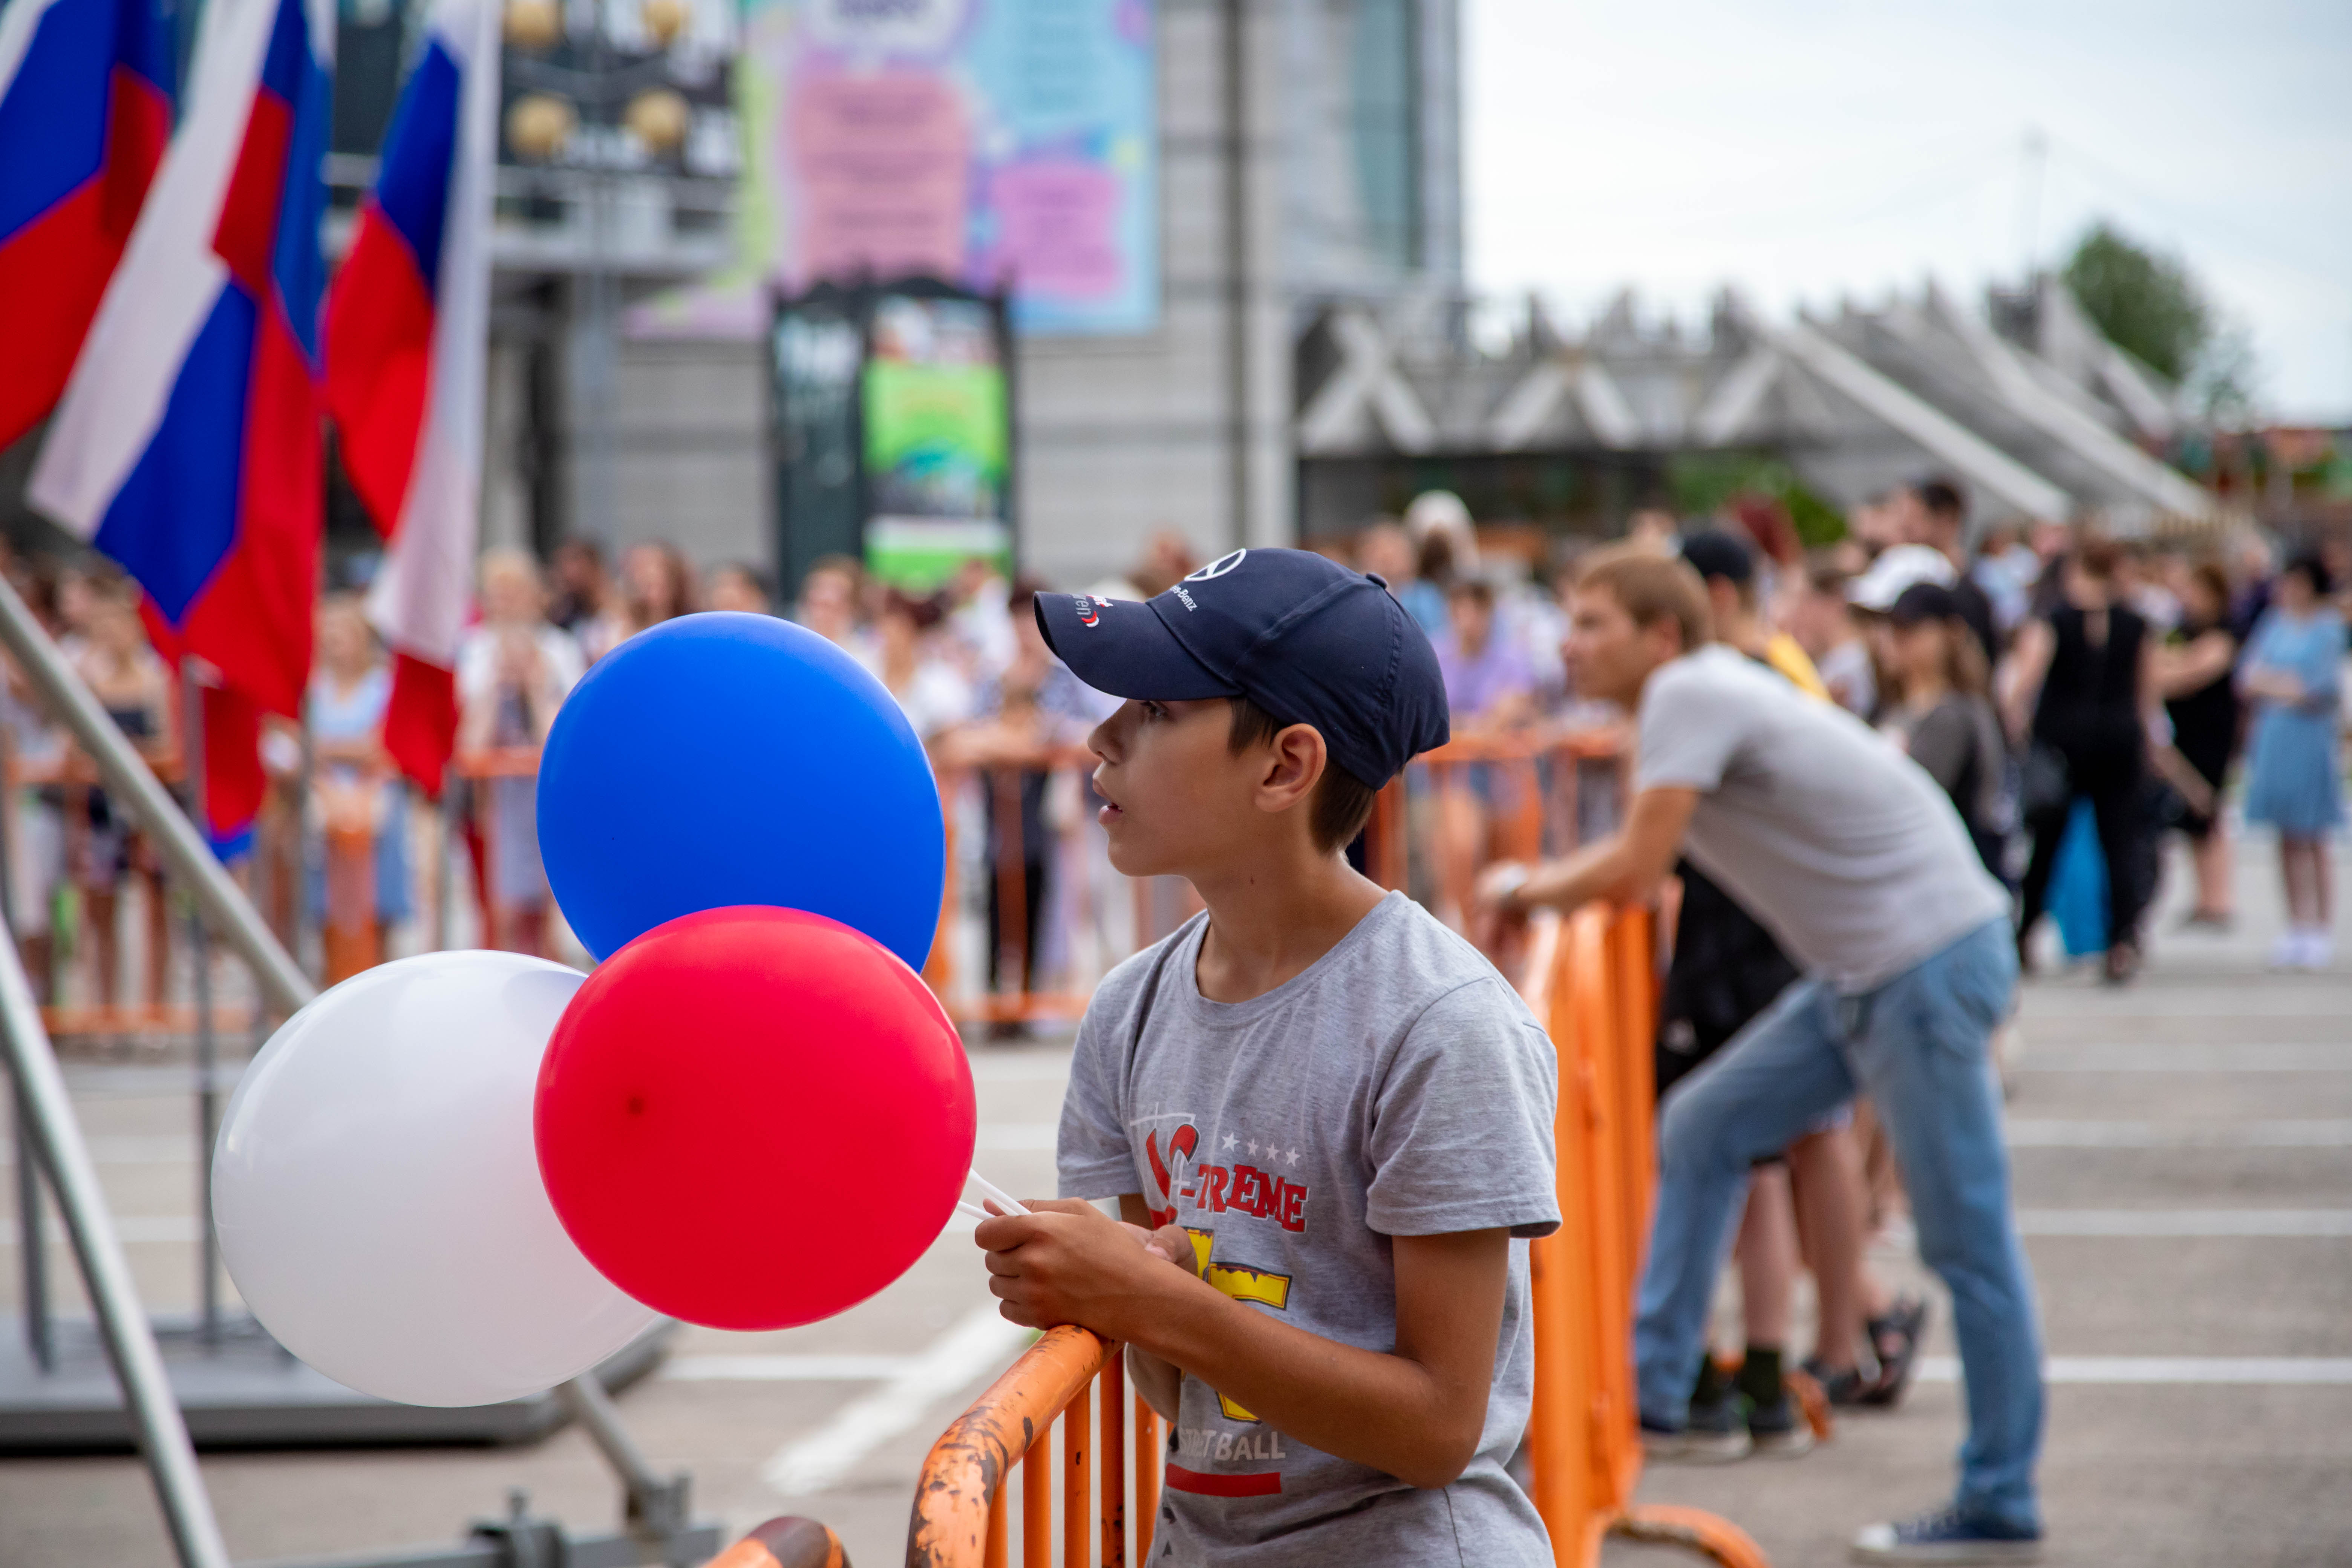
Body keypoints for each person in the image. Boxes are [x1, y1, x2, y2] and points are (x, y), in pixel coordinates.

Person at [977, 548, 1560, 1565]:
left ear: (1286, 766)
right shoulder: (1128, 1013)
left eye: (1156, 710)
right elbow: (1178, 1386)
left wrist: (1151, 1298)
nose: (1101, 735)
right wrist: (1109, 1292)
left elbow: (1438, 1428)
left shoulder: (1442, 1025)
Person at [1476, 548, 2040, 1564]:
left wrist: (1522, 890)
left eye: (1594, 623)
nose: (1570, 641)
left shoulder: (1691, 688)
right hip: (1870, 973)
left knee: (1969, 1241)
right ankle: (1657, 1398)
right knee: (1701, 1125)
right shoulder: (1694, 694)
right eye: (1571, 620)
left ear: (1661, 635)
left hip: (1921, 964)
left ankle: (2000, 1494)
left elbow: (1642, 866)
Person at [2006, 537, 2156, 983]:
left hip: (2063, 743)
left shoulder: (2054, 620)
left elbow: (2024, 683)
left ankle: (2025, 932)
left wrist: (2018, 729)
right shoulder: (2134, 623)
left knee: (2047, 845)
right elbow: (2146, 695)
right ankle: (2123, 938)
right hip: (2118, 741)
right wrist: (2151, 748)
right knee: (2119, 844)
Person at [457, 550, 584, 957]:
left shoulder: (560, 648)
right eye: (497, 592)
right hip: (493, 799)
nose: (505, 601)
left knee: (548, 908)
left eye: (514, 591)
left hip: (544, 793)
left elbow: (565, 731)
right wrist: (497, 680)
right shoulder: (474, 649)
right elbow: (471, 740)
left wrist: (534, 683)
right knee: (498, 909)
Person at [70, 578, 175, 1011]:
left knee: (157, 910)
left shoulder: (156, 681)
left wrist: (127, 760)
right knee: (102, 910)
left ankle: (157, 1006)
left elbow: (172, 748)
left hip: (149, 807)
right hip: (102, 808)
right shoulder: (86, 683)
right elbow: (76, 751)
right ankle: (107, 1005)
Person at [2238, 552, 2344, 969]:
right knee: (2285, 835)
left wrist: (2274, 685)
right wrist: (2282, 686)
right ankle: (2296, 923)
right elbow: (2247, 675)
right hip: (2275, 736)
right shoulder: (2274, 621)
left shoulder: (2327, 627)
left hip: (2310, 736)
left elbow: (2315, 687)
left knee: (2313, 833)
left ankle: (2320, 925)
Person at [308, 596, 413, 962]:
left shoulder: (382, 685)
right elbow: (297, 745)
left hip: (376, 803)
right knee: (325, 901)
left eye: (341, 632)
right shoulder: (313, 689)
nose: (332, 640)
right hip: (325, 803)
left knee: (379, 899)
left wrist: (325, 747)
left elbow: (381, 749)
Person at [1879, 583, 2006, 876]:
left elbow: (1916, 794)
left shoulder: (1953, 713)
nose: (1898, 639)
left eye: (1909, 629)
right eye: (1893, 628)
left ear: (1949, 634)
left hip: (1946, 867)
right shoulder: (1896, 707)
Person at [2155, 560, 2242, 927]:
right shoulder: (2182, 629)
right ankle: (2204, 897)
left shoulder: (2225, 631)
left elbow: (2192, 672)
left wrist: (2172, 668)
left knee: (2210, 810)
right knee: (2192, 818)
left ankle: (2219, 898)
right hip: (2183, 730)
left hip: (2211, 731)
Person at [1794, 567, 1876, 717]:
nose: (1798, 613)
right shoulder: (1832, 660)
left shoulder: (1852, 664)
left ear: (1834, 602)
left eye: (1804, 600)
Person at [705, 562, 773, 615]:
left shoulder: (777, 630)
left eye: (737, 586)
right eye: (720, 585)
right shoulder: (702, 630)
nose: (725, 594)